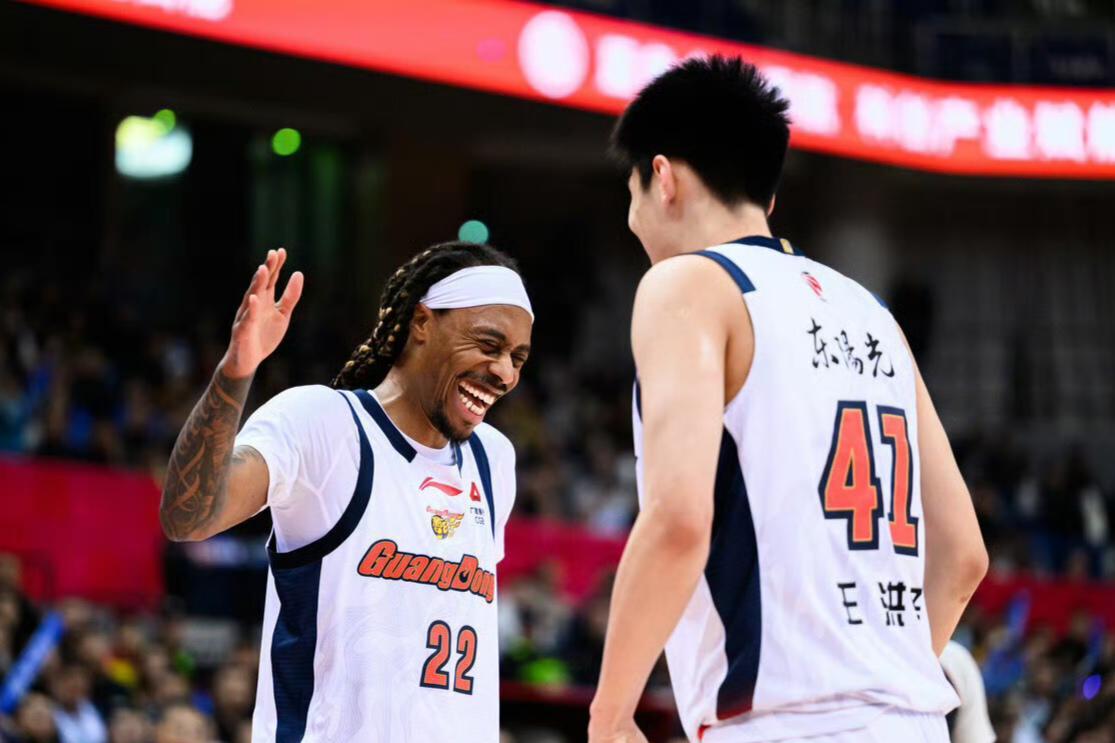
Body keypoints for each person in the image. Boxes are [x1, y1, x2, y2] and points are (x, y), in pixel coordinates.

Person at [588, 56, 988, 742]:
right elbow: (963, 556)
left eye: (632, 196)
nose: (634, 221)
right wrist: (874, 692)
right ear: (767, 199)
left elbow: (679, 519)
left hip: (780, 724)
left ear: (663, 178)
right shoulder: (873, 315)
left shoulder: (687, 286)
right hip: (913, 724)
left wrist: (610, 715)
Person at [159, 242, 532, 741]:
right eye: (489, 345)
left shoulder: (494, 459)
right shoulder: (326, 424)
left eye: (517, 358)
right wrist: (236, 372)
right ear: (422, 323)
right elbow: (188, 516)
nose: (505, 372)